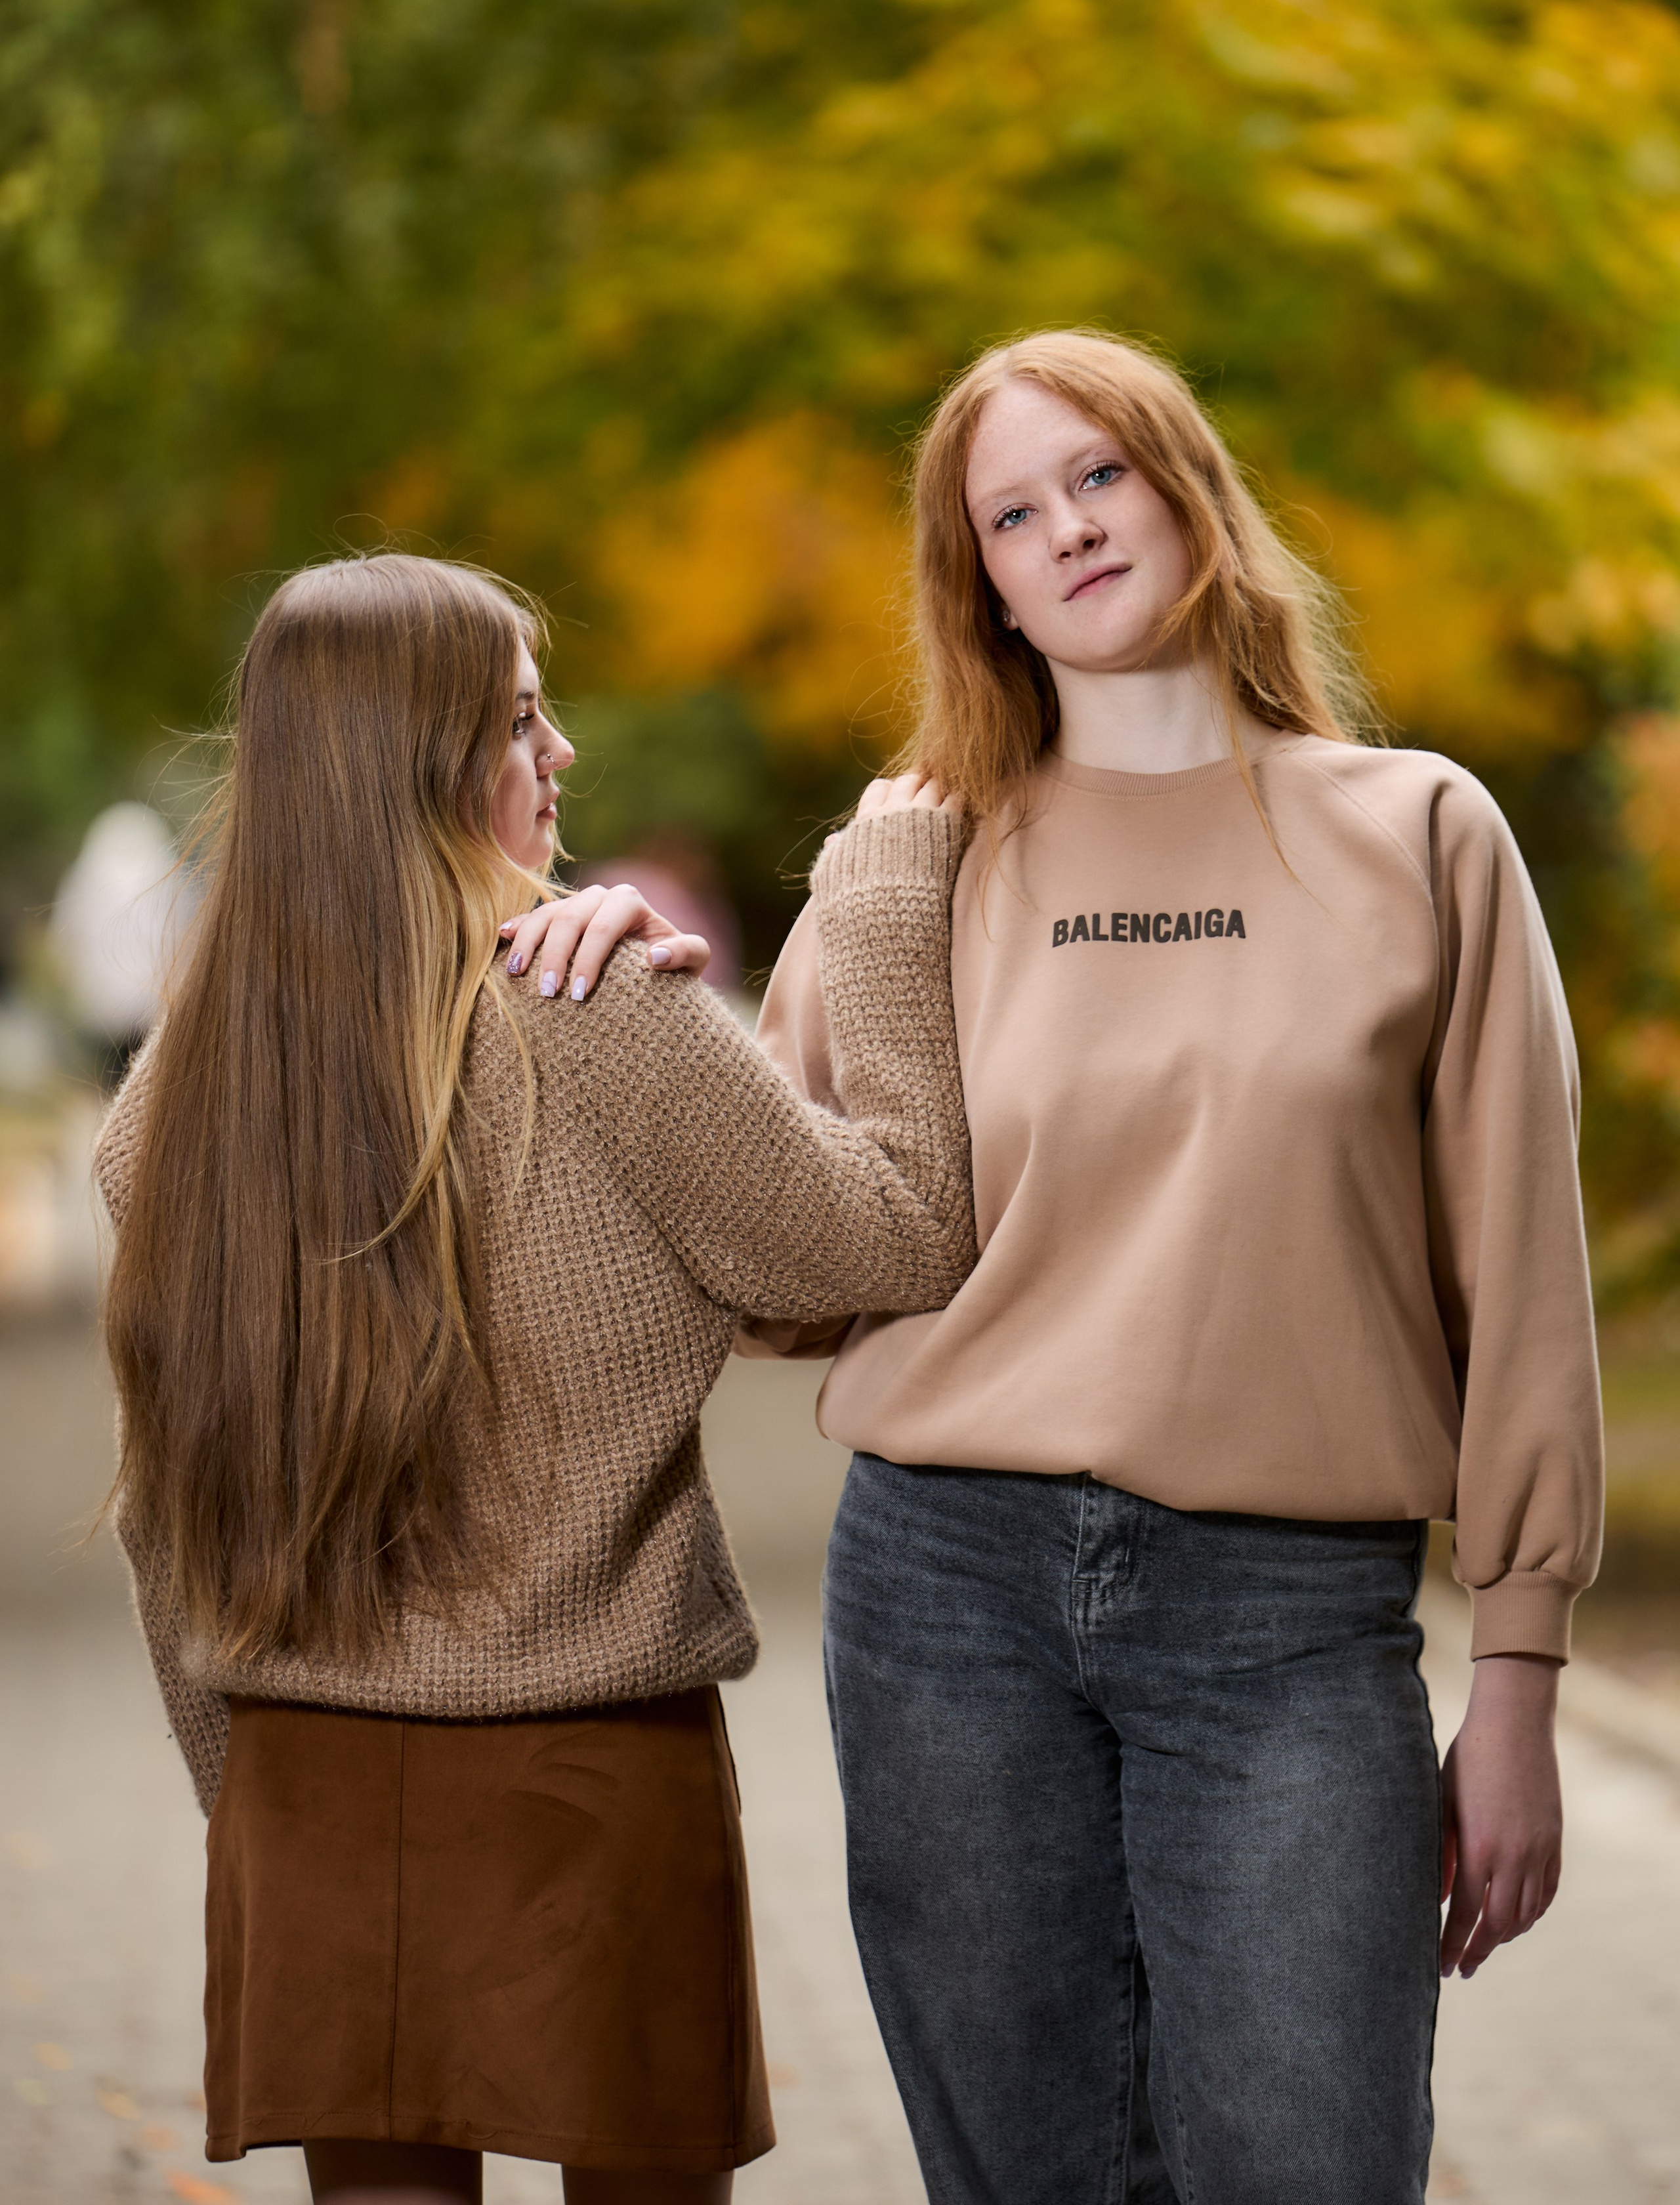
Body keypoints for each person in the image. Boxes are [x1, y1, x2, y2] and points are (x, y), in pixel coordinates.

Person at [749, 332, 1603, 2205]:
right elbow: (782, 1249)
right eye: (1010, 514)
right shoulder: (916, 857)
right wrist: (633, 1023)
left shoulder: (1419, 834)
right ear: (978, 585)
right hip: (945, 1602)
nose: (1066, 529)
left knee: (1316, 2167)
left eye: (1101, 477)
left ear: (1191, 489)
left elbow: (1524, 1283)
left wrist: (1523, 1677)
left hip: (1289, 1624)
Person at [93, 553, 973, 2205]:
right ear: (415, 763)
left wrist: (250, 1795)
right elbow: (899, 1241)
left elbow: (167, 1515)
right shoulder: (594, 1008)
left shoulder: (176, 1096)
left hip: (302, 1783)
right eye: (516, 720)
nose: (558, 750)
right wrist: (888, 905)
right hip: (588, 1780)